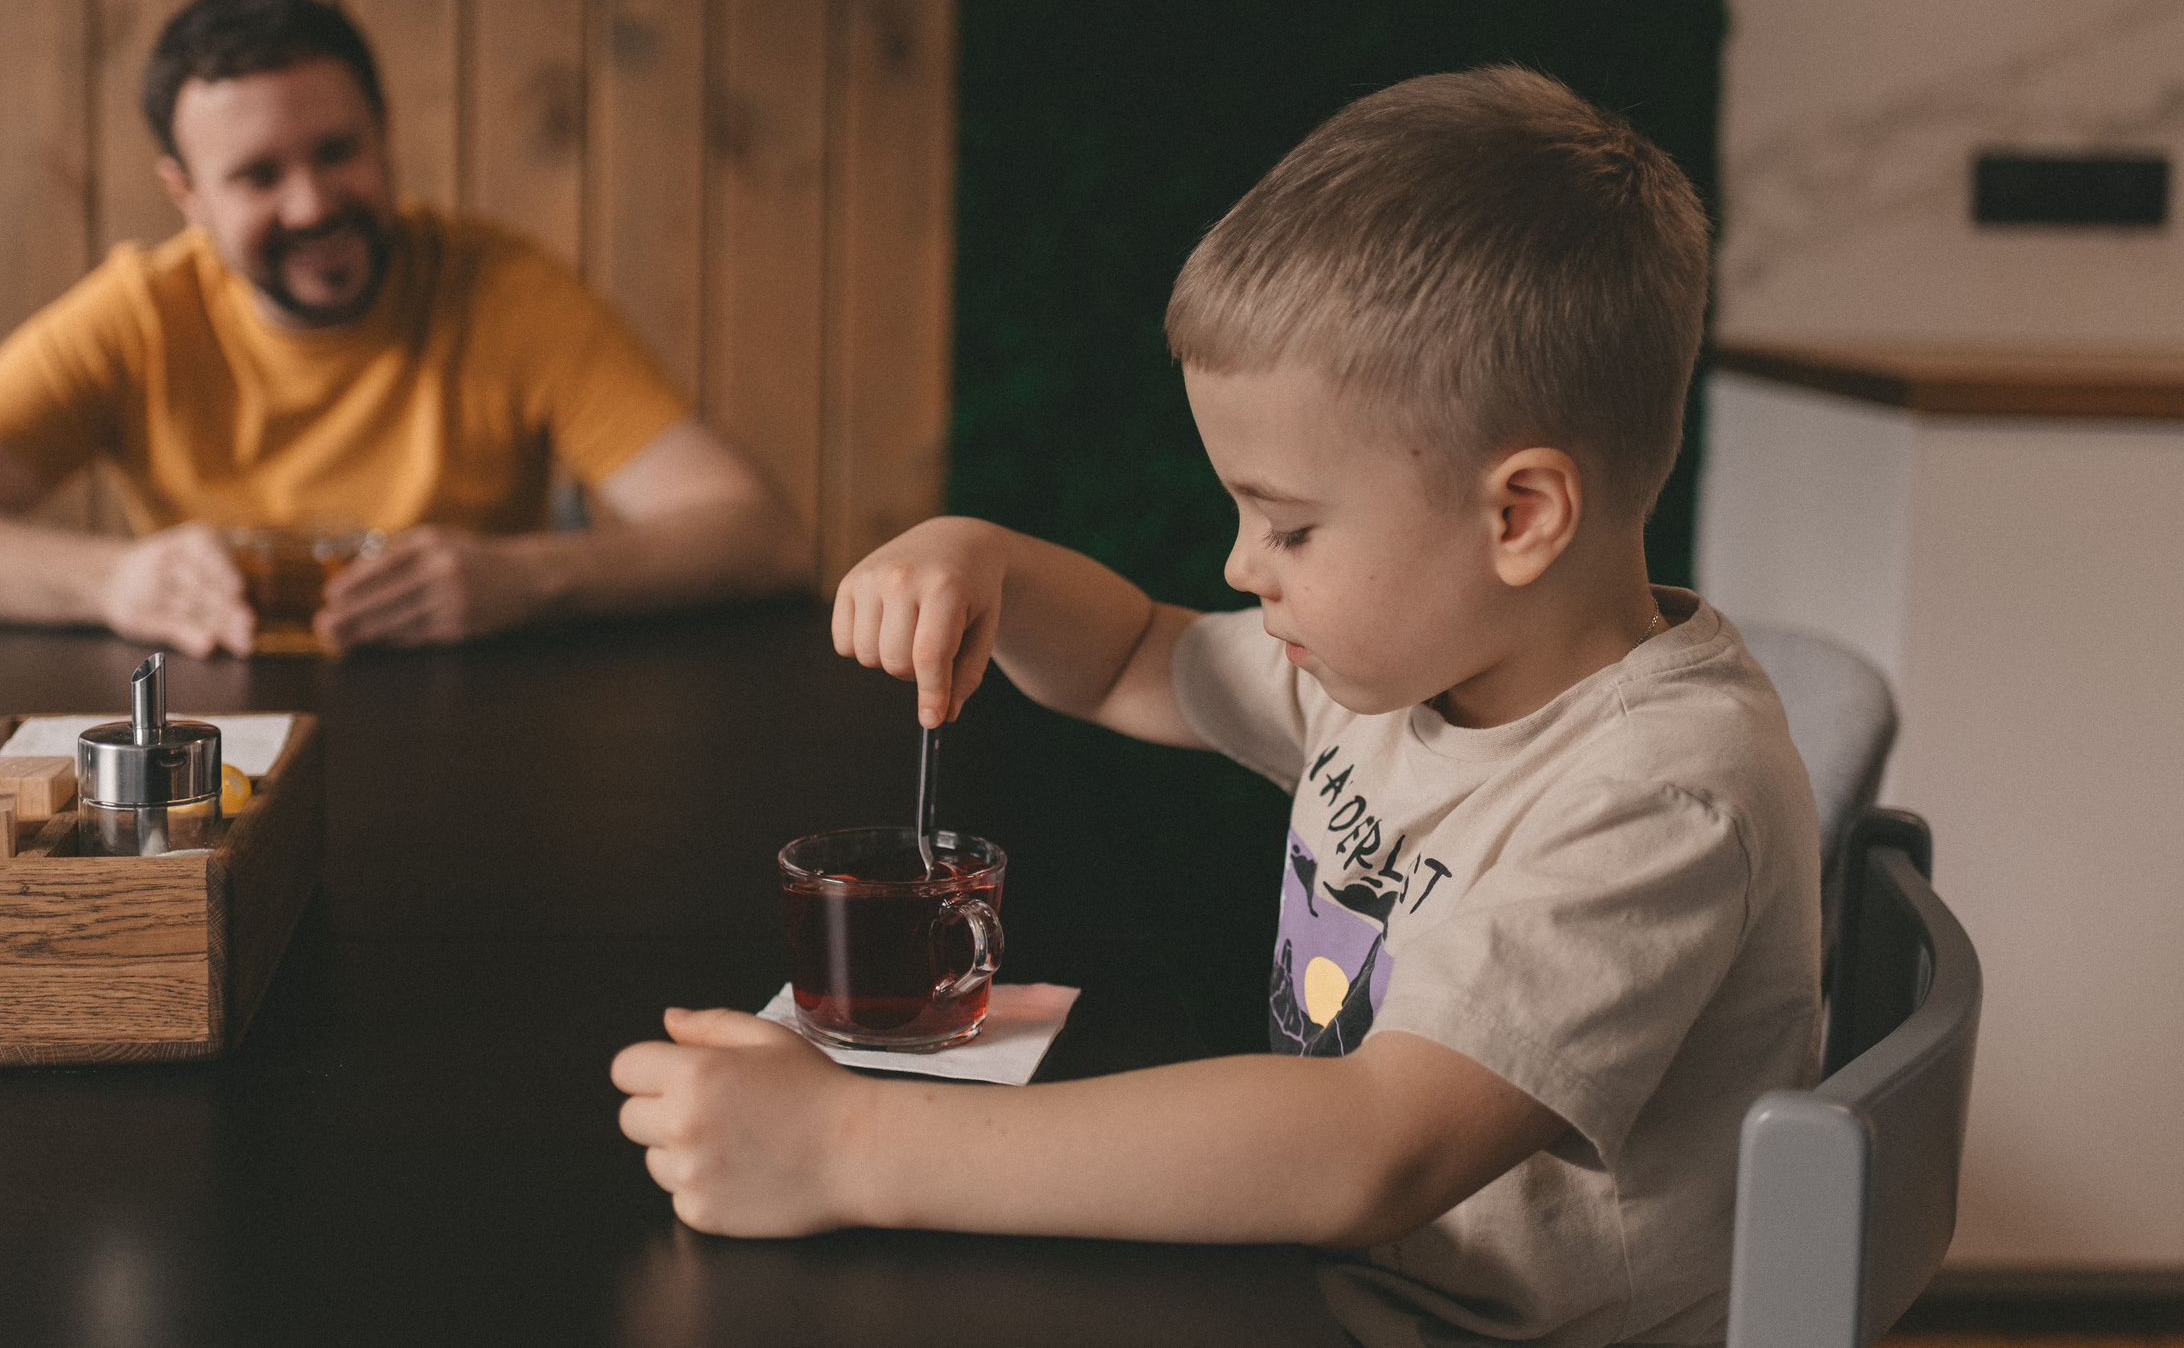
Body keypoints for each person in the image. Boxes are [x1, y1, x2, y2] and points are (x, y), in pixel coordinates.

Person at [611, 68, 1821, 1346]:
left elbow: (1376, 1148)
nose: (1244, 567)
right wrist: (994, 564)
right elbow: (1135, 652)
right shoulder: (1415, 671)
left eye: (1290, 526)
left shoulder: (1661, 794)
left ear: (1517, 516)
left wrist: (847, 1144)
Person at [0, 0, 811, 653]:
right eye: (258, 175)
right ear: (183, 193)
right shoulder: (140, 315)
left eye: (336, 152)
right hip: (211, 757)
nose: (313, 204)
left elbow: (760, 537)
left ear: (385, 136)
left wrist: (523, 576)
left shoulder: (504, 291)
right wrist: (112, 580)